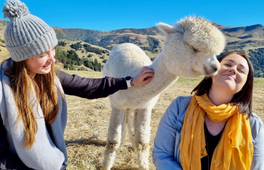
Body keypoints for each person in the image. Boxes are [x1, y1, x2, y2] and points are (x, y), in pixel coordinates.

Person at [0, 0, 154, 169]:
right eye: (42, 54)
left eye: (53, 49)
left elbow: (88, 86)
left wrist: (130, 81)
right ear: (22, 57)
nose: (52, 58)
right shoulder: (3, 93)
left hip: (53, 162)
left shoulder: (51, 77)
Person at [152, 51, 264, 170]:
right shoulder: (179, 107)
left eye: (241, 70)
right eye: (228, 64)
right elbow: (161, 155)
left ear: (245, 85)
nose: (233, 70)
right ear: (212, 71)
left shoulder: (254, 125)